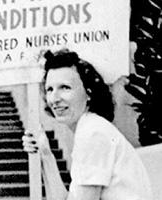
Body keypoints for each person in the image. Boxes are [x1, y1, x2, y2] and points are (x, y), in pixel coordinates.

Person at [22, 49, 153, 200]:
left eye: (65, 87)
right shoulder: (89, 128)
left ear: (89, 93)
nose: (54, 98)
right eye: (50, 89)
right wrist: (46, 154)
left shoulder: (93, 133)